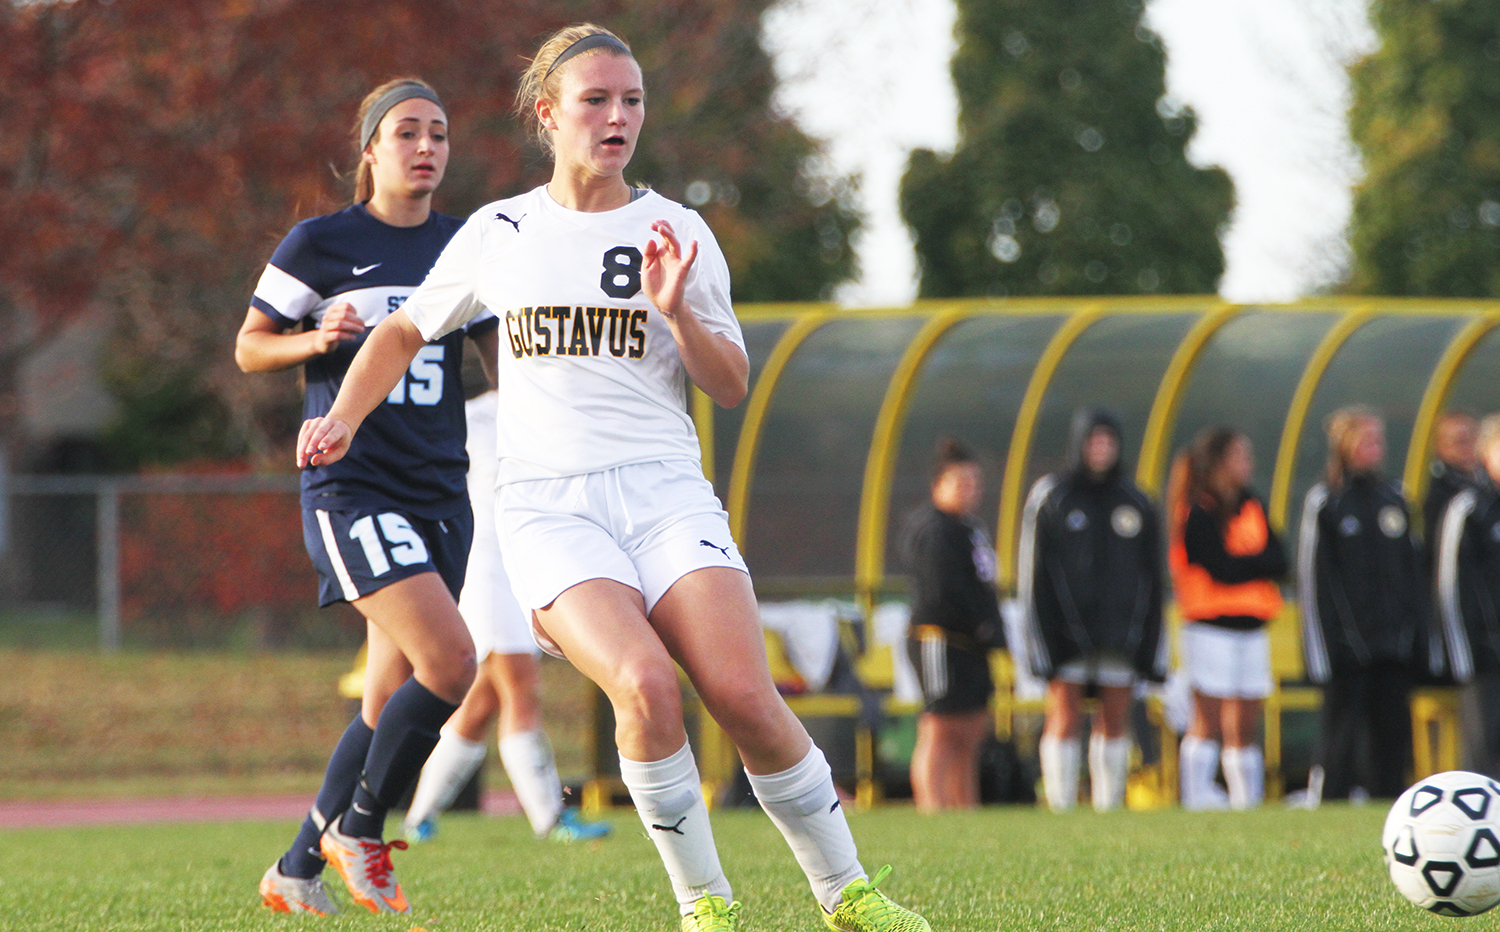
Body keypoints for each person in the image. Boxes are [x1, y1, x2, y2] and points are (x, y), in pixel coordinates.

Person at [296, 25, 929, 932]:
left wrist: (677, 312)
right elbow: (402, 332)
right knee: (644, 684)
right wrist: (341, 419)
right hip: (551, 509)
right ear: (548, 115)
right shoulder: (501, 231)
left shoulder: (676, 230)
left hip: (666, 492)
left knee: (746, 697)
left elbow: (730, 382)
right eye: (596, 100)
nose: (618, 117)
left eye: (631, 101)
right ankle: (705, 904)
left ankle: (847, 894)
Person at [236, 78, 490, 915]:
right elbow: (249, 348)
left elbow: (510, 357)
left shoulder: (467, 245)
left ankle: (298, 866)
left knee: (389, 702)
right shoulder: (321, 242)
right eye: (408, 132)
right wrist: (315, 338)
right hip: (352, 485)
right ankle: (362, 829)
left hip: (442, 490)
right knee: (453, 662)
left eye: (440, 133)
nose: (426, 148)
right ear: (370, 149)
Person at [402, 388, 611, 844]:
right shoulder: (471, 415)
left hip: (529, 560)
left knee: (480, 704)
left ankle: (419, 818)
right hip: (484, 565)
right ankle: (550, 818)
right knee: (520, 687)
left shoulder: (554, 403)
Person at [1018, 409, 1166, 812]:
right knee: (1064, 713)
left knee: (1115, 716)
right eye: (1093, 442)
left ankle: (1108, 806)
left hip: (1120, 634)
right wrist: (1041, 641)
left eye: (1109, 442)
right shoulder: (1053, 496)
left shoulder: (1137, 500)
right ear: (1079, 445)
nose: (1101, 450)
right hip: (1065, 633)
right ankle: (1061, 805)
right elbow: (1032, 574)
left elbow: (1155, 578)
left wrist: (1150, 641)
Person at [1297, 406, 1427, 802]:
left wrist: (1412, 637)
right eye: (1367, 439)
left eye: (1379, 439)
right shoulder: (1326, 501)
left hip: (1392, 647)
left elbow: (1413, 575)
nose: (1376, 447)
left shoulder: (1396, 498)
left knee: (1392, 743)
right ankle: (1328, 805)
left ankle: (1390, 809)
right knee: (1340, 740)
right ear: (1344, 444)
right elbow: (1313, 580)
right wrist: (1323, 650)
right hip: (1345, 651)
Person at [1166, 428, 1286, 810]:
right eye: (1239, 456)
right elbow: (1220, 568)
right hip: (1210, 625)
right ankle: (1197, 795)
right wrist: (1256, 565)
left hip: (1251, 625)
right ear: (1219, 462)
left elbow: (1280, 559)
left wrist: (1248, 565)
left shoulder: (1251, 503)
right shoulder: (1198, 509)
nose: (1247, 464)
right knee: (1209, 716)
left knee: (1246, 719)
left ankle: (1245, 799)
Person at [899, 437, 1002, 812]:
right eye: (960, 482)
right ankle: (933, 807)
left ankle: (964, 807)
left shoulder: (972, 529)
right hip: (940, 641)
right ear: (938, 485)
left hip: (973, 645)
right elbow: (940, 592)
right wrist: (974, 623)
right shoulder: (932, 529)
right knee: (941, 728)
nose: (969, 490)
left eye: (974, 482)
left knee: (972, 729)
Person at [1435, 412, 1500, 779]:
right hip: (1483, 654)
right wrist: (1462, 654)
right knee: (1483, 747)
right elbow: (1449, 586)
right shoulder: (1468, 508)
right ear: (1485, 454)